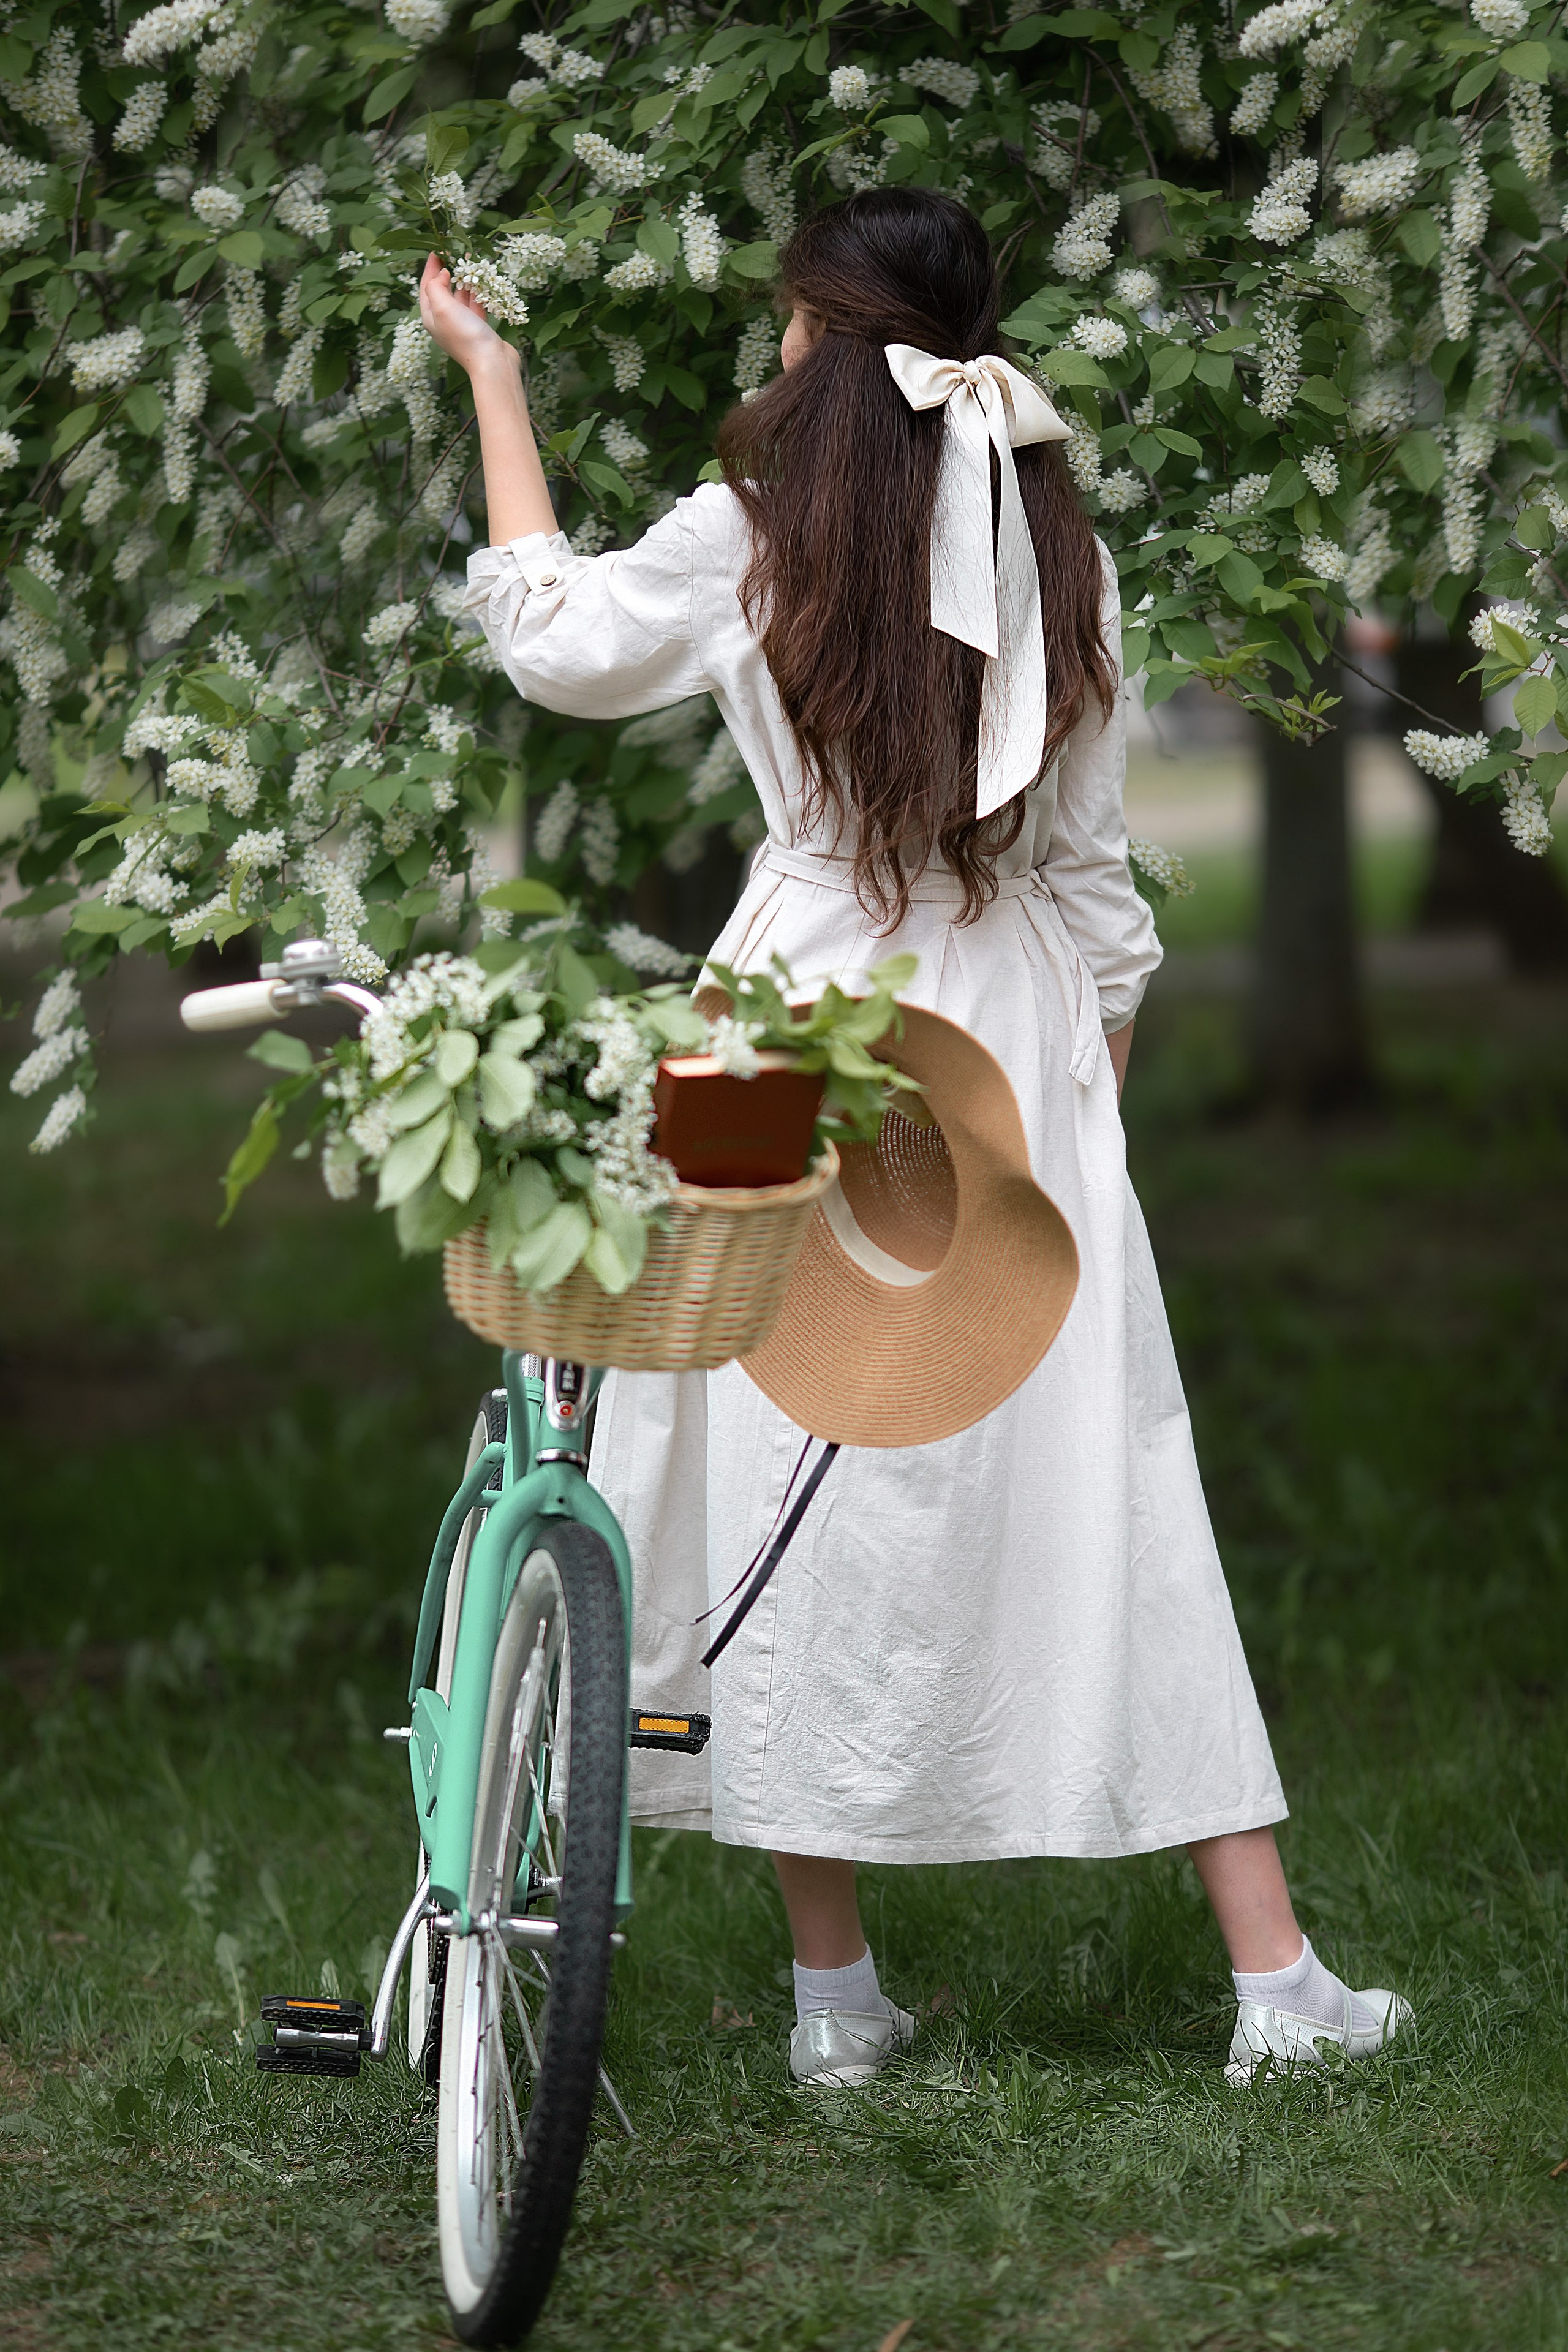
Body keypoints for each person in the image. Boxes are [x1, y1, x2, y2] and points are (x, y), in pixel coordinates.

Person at [421, 187, 1410, 2091]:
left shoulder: (760, 528)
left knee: (770, 1466)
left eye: (792, 318)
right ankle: (1274, 1981)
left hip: (786, 1016)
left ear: (817, 326)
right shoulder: (1054, 523)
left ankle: (834, 2000)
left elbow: (554, 638)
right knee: (1103, 1458)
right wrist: (1090, 1053)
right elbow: (1092, 858)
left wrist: (498, 380)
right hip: (1004, 1018)